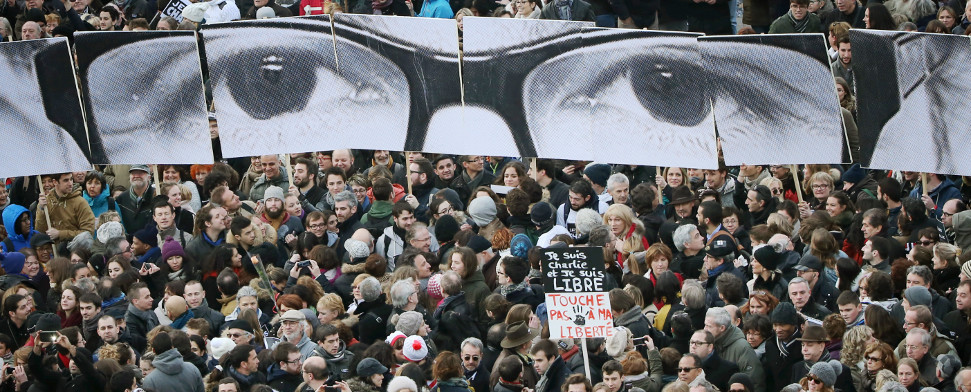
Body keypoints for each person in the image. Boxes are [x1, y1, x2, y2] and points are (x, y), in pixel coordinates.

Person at [35, 172, 96, 246]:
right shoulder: (45, 201)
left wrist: (60, 234)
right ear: (55, 182)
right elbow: (39, 231)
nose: (70, 183)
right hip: (53, 251)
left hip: (76, 251)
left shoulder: (80, 202)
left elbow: (88, 233)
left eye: (71, 179)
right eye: (66, 180)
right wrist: (41, 209)